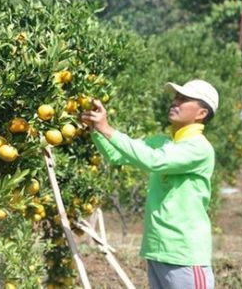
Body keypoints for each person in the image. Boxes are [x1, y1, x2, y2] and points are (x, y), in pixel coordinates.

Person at [81, 79, 218, 289]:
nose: (175, 102)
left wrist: (106, 128)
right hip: (158, 249)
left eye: (184, 99)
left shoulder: (198, 148)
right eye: (176, 97)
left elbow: (154, 161)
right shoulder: (163, 142)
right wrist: (94, 129)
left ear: (201, 114)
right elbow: (116, 155)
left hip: (185, 254)